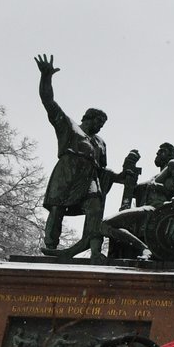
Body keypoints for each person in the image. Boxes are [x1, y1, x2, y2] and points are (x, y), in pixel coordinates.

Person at [35, 54, 127, 262]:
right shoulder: (69, 127)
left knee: (95, 206)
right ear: (88, 118)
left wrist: (120, 177)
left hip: (88, 181)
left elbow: (102, 170)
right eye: (99, 122)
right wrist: (46, 77)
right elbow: (48, 102)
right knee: (57, 209)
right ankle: (51, 246)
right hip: (66, 175)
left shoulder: (100, 143)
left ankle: (95, 249)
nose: (100, 126)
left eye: (103, 124)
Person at [104, 142, 174, 259]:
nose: (158, 153)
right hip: (145, 214)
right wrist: (128, 168)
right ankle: (142, 248)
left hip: (156, 212)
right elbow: (131, 189)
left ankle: (145, 249)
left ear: (170, 155)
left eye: (162, 151)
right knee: (105, 226)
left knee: (106, 224)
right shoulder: (154, 178)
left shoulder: (173, 164)